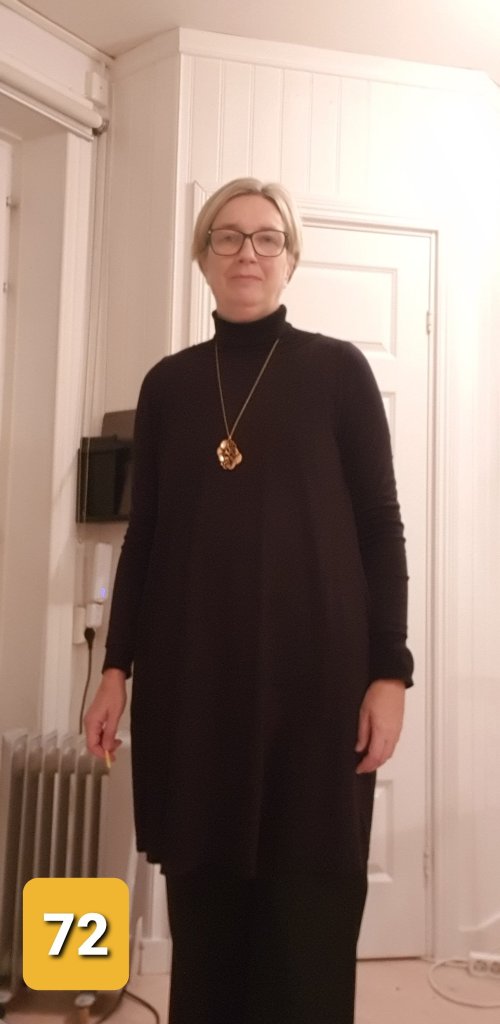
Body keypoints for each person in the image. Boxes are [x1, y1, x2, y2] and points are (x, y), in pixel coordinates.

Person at [85, 177, 413, 1024]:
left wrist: (391, 672)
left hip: (319, 688)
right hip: (196, 686)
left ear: (291, 257)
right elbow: (145, 537)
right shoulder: (168, 386)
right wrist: (114, 668)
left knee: (308, 920)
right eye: (227, 237)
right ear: (202, 256)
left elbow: (381, 527)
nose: (247, 253)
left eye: (267, 238)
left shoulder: (338, 372)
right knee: (209, 919)